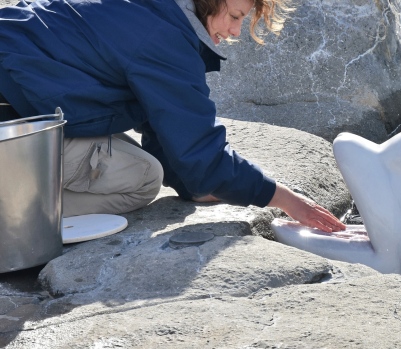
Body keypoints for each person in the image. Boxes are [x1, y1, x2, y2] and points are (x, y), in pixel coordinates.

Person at [0, 0, 346, 232]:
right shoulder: (164, 39)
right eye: (236, 16)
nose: (236, 31)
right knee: (144, 179)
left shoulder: (152, 10)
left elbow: (165, 125)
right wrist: (287, 200)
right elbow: (200, 150)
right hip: (9, 118)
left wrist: (195, 185)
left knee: (140, 162)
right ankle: (14, 219)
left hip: (18, 90)